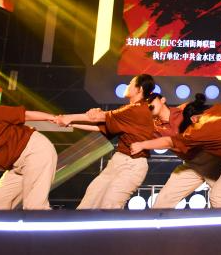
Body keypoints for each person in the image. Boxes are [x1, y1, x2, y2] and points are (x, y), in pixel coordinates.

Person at [57, 74, 159, 209]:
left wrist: (68, 118)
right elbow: (100, 127)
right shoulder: (130, 110)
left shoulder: (136, 109)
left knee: (110, 206)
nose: (127, 85)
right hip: (118, 161)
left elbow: (98, 118)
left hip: (132, 166)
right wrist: (71, 124)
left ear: (139, 89)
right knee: (90, 200)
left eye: (130, 83)